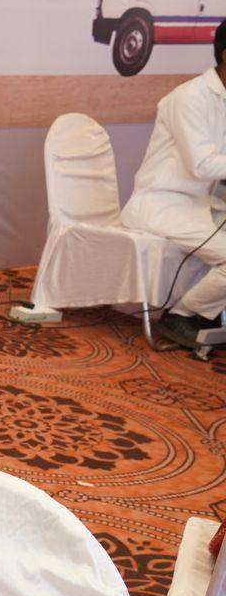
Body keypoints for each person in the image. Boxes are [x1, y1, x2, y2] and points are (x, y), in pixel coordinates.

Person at [121, 20, 226, 350]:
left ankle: (205, 317)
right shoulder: (189, 98)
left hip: (203, 207)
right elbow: (202, 165)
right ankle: (182, 315)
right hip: (163, 205)